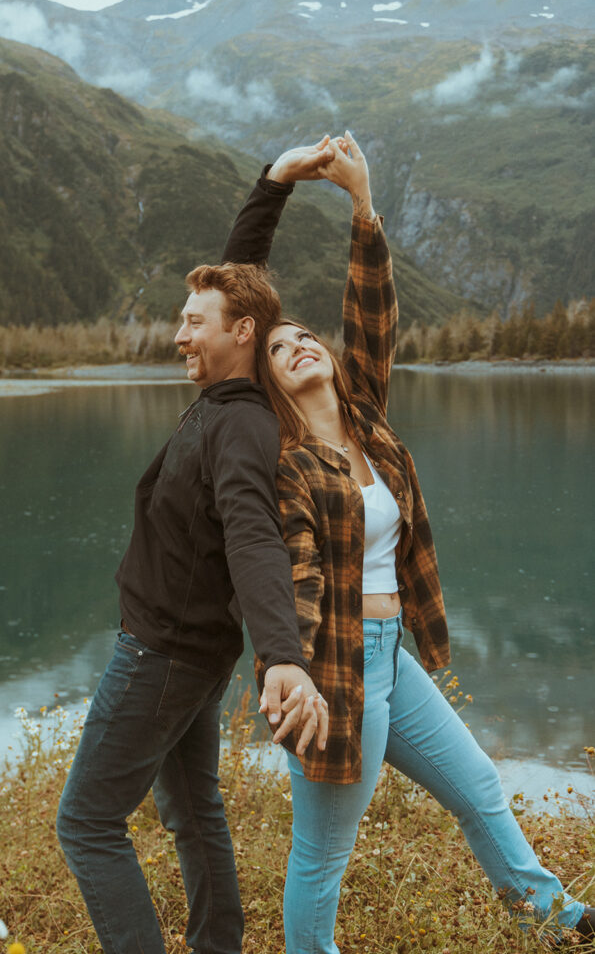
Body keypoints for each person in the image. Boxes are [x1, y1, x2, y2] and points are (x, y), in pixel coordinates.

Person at [223, 132, 594, 952]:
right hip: (336, 665)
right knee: (321, 854)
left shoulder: (368, 423)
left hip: (392, 654)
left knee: (479, 789)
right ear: (266, 383)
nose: (299, 344)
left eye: (305, 336)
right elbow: (277, 572)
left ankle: (561, 921)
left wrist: (361, 204)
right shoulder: (282, 461)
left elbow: (373, 311)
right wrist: (294, 672)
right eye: (278, 348)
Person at [55, 149, 332, 954]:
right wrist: (274, 183)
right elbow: (240, 273)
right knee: (191, 808)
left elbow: (254, 537)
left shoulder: (241, 428)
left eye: (193, 323)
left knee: (88, 822)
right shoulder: (225, 393)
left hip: (163, 653)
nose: (178, 333)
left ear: (239, 335)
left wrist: (281, 654)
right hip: (191, 648)